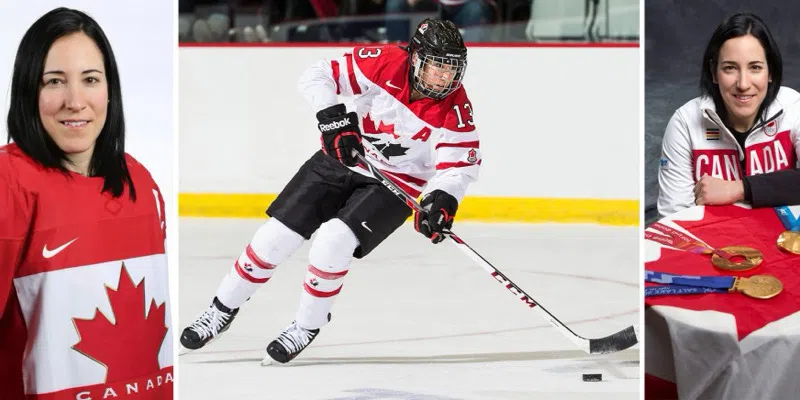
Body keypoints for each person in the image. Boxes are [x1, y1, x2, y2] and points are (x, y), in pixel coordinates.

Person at [181, 18, 481, 365]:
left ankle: (307, 325)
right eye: (436, 67)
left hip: (397, 185)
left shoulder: (456, 109)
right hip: (343, 159)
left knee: (332, 242)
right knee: (272, 238)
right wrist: (332, 117)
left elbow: (459, 167)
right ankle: (221, 310)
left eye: (451, 70)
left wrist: (444, 199)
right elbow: (316, 75)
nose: (444, 78)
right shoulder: (383, 62)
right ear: (415, 58)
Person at [0, 8, 172, 398]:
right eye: (54, 81)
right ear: (29, 91)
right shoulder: (8, 185)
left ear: (109, 89)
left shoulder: (140, 181)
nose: (75, 101)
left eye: (90, 79)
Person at [657, 12, 800, 218]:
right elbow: (674, 218)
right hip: (712, 245)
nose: (743, 84)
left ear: (770, 72)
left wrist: (739, 189)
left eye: (755, 67)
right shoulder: (685, 123)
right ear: (714, 72)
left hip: (782, 241)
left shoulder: (793, 106)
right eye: (730, 68)